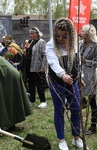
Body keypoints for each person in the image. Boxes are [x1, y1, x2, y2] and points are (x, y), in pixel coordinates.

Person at [46, 18, 85, 150]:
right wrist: (62, 74)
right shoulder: (50, 45)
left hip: (72, 81)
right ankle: (61, 139)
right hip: (56, 81)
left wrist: (80, 77)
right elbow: (53, 63)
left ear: (71, 35)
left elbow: (77, 63)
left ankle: (76, 137)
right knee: (59, 110)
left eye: (64, 36)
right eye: (58, 36)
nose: (61, 39)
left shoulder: (74, 44)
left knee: (76, 108)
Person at [0, 52, 32, 130]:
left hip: (8, 78)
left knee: (4, 100)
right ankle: (10, 121)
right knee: (11, 100)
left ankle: (6, 123)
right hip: (12, 76)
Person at [79, 24, 97, 135]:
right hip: (80, 76)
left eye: (83, 31)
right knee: (79, 99)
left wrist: (86, 61)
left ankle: (93, 126)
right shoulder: (80, 44)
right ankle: (80, 124)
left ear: (88, 33)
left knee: (92, 101)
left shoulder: (95, 45)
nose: (81, 32)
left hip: (91, 76)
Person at [24, 27, 47, 108]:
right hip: (30, 67)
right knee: (31, 85)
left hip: (37, 67)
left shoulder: (41, 42)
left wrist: (43, 67)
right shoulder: (32, 42)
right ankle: (32, 100)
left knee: (39, 84)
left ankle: (43, 101)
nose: (31, 35)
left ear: (37, 34)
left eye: (32, 34)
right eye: (30, 34)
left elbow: (45, 55)